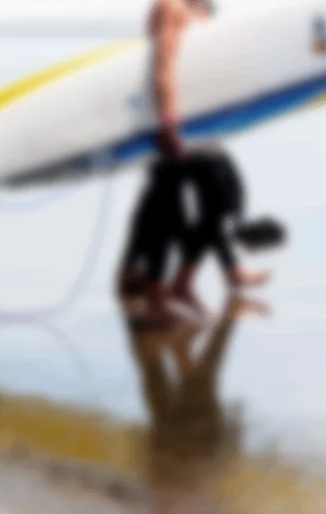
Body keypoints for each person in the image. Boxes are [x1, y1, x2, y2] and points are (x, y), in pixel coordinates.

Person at [117, 0, 274, 328]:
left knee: (219, 195)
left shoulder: (204, 9)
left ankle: (183, 283)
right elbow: (162, 65)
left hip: (199, 120)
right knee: (170, 207)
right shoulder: (171, 7)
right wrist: (168, 120)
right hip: (172, 119)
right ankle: (162, 295)